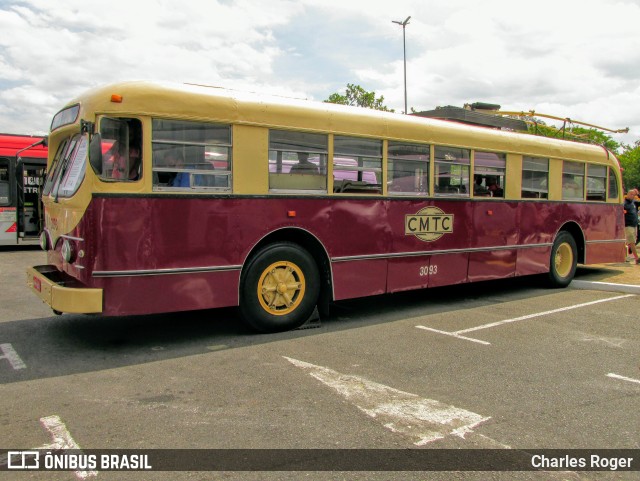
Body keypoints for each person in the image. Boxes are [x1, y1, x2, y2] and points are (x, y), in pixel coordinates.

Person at [623, 189, 640, 264]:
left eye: (634, 195)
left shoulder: (633, 202)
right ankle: (637, 258)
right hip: (628, 225)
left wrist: (638, 194)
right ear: (628, 194)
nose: (633, 196)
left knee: (631, 241)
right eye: (631, 194)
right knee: (632, 242)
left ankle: (626, 255)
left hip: (634, 224)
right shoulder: (624, 203)